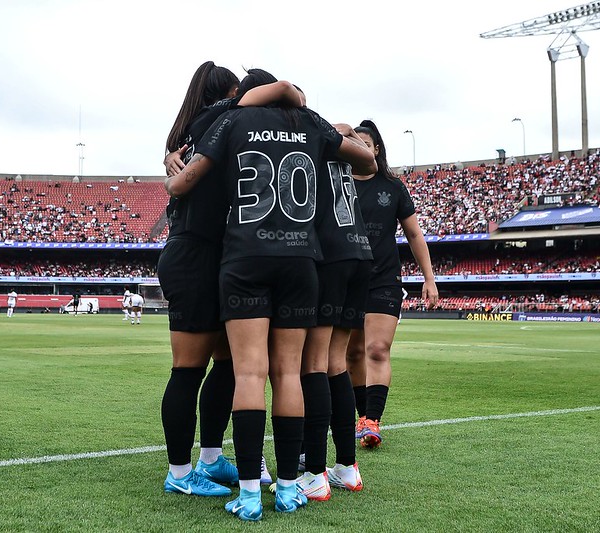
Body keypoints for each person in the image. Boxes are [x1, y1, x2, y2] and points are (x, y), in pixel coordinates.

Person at [165, 68, 377, 521]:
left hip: (244, 256)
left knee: (246, 374)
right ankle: (286, 488)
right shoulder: (312, 122)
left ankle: (246, 493)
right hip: (301, 259)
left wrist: (171, 174)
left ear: (247, 94)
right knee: (289, 374)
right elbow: (368, 164)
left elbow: (183, 183)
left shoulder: (232, 121)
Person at [158, 62, 304, 500]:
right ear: (232, 92)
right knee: (188, 370)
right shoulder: (223, 115)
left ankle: (208, 460)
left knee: (227, 365)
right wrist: (287, 96)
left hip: (216, 256)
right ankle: (180, 473)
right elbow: (286, 88)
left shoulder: (197, 128)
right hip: (195, 255)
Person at [346, 120, 439, 449]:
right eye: (352, 143)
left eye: (364, 144)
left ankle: (373, 420)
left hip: (384, 279)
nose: (358, 149)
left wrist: (429, 278)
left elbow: (414, 234)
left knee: (377, 349)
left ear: (376, 150)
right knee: (352, 353)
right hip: (345, 279)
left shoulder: (393, 186)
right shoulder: (337, 183)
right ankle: (361, 415)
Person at [296, 122, 374, 501]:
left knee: (313, 364)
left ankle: (314, 472)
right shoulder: (339, 142)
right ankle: (346, 468)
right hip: (360, 251)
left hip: (330, 255)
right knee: (335, 363)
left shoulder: (305, 137)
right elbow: (368, 161)